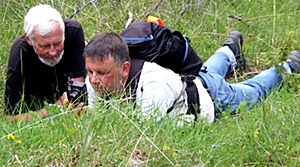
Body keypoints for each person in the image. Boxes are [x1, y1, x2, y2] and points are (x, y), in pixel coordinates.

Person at [83, 31, 300, 125]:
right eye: (90, 71)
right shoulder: (93, 80)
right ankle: (229, 49)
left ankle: (288, 66)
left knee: (254, 92)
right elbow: (97, 116)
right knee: (207, 73)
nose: (93, 80)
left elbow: (142, 139)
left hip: (212, 98)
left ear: (124, 68)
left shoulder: (151, 88)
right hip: (193, 80)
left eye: (102, 73)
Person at [4, 4, 87, 122]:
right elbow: (10, 118)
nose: (53, 52)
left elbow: (78, 90)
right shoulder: (19, 55)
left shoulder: (73, 32)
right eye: (44, 46)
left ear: (63, 30)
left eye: (58, 43)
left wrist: (73, 102)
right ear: (29, 39)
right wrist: (55, 109)